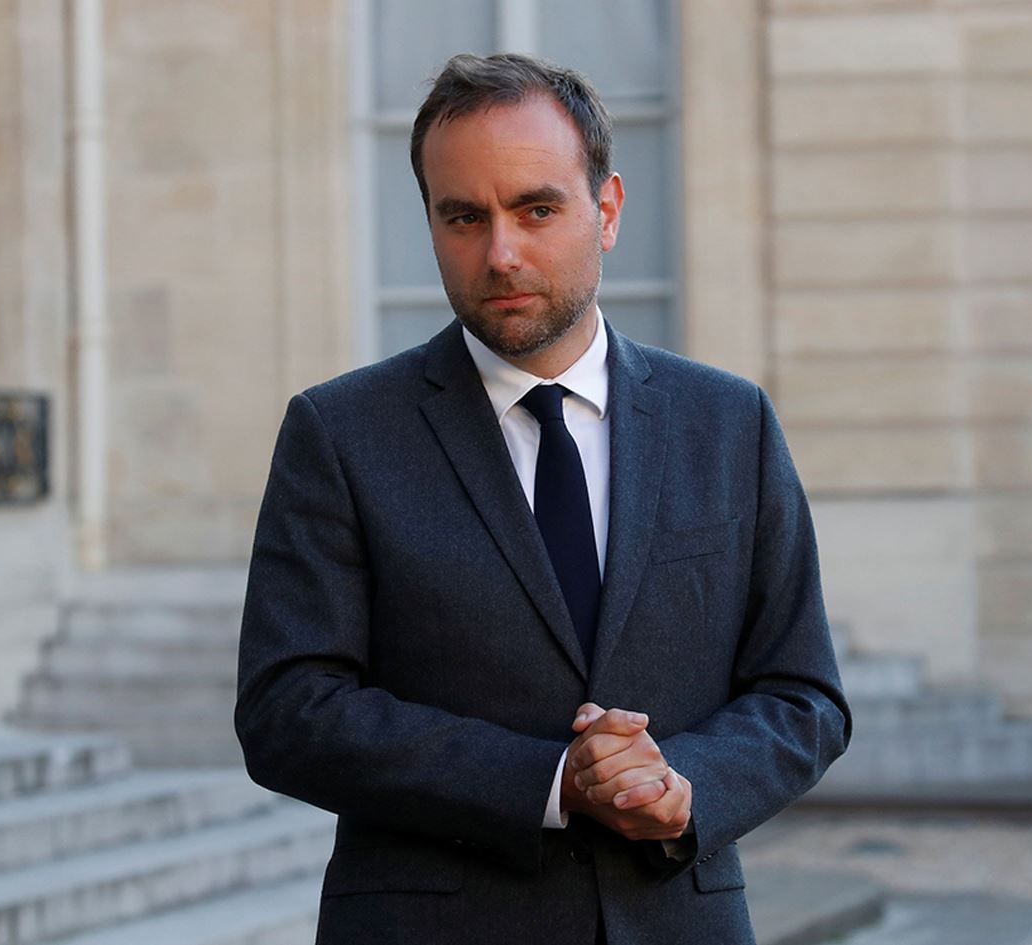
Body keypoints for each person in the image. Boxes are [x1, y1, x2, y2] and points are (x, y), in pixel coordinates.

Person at [235, 52, 850, 945]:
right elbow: (286, 709)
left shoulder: (730, 422)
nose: (501, 253)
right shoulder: (340, 432)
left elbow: (804, 694)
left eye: (536, 209)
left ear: (608, 210)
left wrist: (681, 786)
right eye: (463, 216)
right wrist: (549, 781)